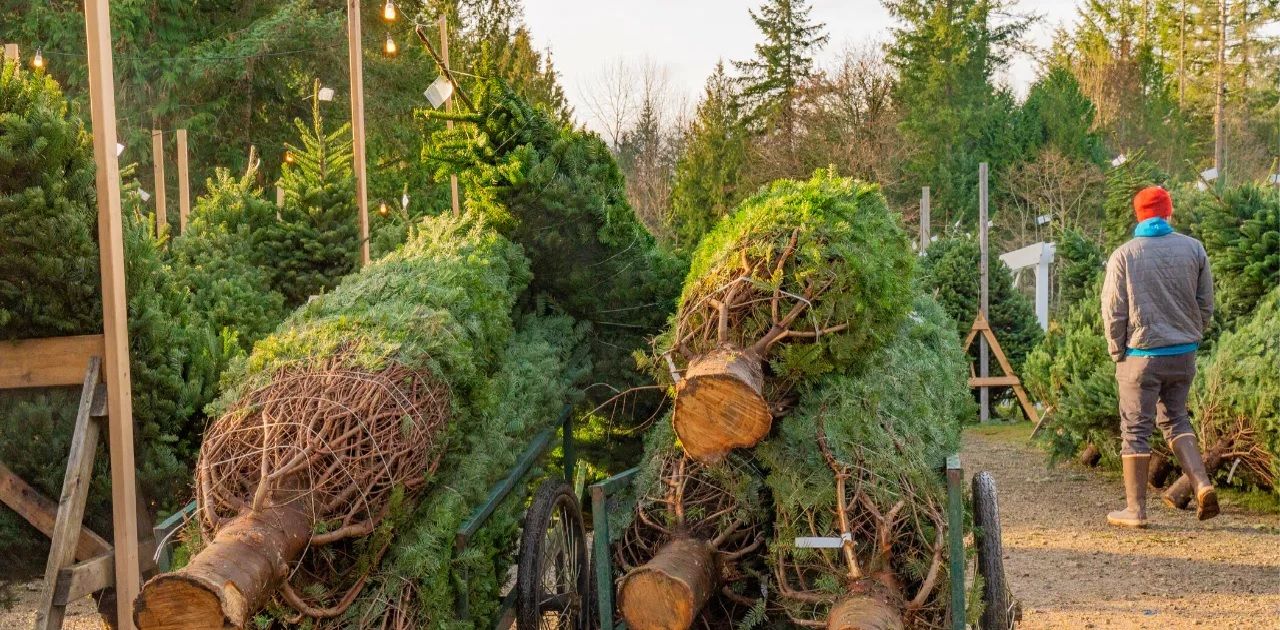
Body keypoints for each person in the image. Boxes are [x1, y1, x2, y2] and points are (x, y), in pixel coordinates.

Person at [1101, 185, 1218, 528]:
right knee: (1177, 419)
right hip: (1183, 354)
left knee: (1136, 430)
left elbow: (1114, 311)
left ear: (1139, 217)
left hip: (1141, 354)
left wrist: (1117, 351)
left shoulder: (1124, 255)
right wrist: (1192, 335)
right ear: (1169, 213)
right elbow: (1206, 303)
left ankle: (1135, 511)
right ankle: (1202, 484)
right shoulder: (1194, 249)